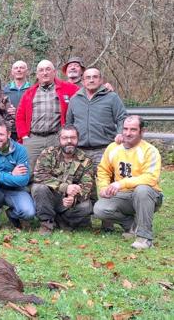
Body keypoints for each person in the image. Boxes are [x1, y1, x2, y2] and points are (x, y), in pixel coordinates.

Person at [93, 116, 163, 249]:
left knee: (142, 190)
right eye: (125, 129)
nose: (127, 133)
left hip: (149, 196)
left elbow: (150, 178)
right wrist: (103, 187)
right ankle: (132, 225)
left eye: (133, 129)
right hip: (124, 196)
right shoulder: (113, 148)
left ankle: (144, 238)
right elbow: (103, 170)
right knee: (99, 209)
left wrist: (121, 184)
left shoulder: (150, 151)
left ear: (142, 132)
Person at [16, 60, 79, 172]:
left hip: (56, 137)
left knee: (59, 170)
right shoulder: (29, 93)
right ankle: (29, 189)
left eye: (48, 69)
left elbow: (88, 90)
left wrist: (104, 88)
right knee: (28, 171)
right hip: (33, 139)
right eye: (41, 70)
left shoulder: (68, 88)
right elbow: (19, 116)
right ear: (37, 74)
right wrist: (24, 136)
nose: (44, 73)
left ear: (54, 72)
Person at [32, 125, 95, 235]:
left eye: (73, 138)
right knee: (39, 188)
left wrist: (73, 198)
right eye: (65, 138)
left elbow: (87, 186)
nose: (69, 141)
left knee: (87, 206)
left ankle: (61, 220)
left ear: (78, 139)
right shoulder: (48, 153)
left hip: (68, 203)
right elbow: (39, 175)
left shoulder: (85, 160)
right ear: (59, 139)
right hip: (50, 197)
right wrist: (65, 187)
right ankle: (46, 223)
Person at [0, 122, 34, 232]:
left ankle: (12, 214)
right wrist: (11, 175)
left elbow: (23, 180)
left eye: (1, 135)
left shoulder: (20, 150)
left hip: (16, 190)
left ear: (8, 134)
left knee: (29, 213)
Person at [65, 68, 126, 166]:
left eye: (95, 77)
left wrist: (120, 133)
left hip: (104, 149)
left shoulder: (111, 97)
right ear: (83, 81)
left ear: (101, 80)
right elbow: (69, 123)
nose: (91, 80)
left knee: (103, 179)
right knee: (80, 180)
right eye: (88, 77)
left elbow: (121, 118)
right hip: (80, 150)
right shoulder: (75, 99)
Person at [3, 60, 31, 141]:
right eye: (16, 68)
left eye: (21, 68)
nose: (19, 70)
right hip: (10, 131)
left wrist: (18, 112)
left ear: (26, 71)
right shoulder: (4, 91)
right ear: (12, 72)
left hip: (27, 131)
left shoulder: (32, 90)